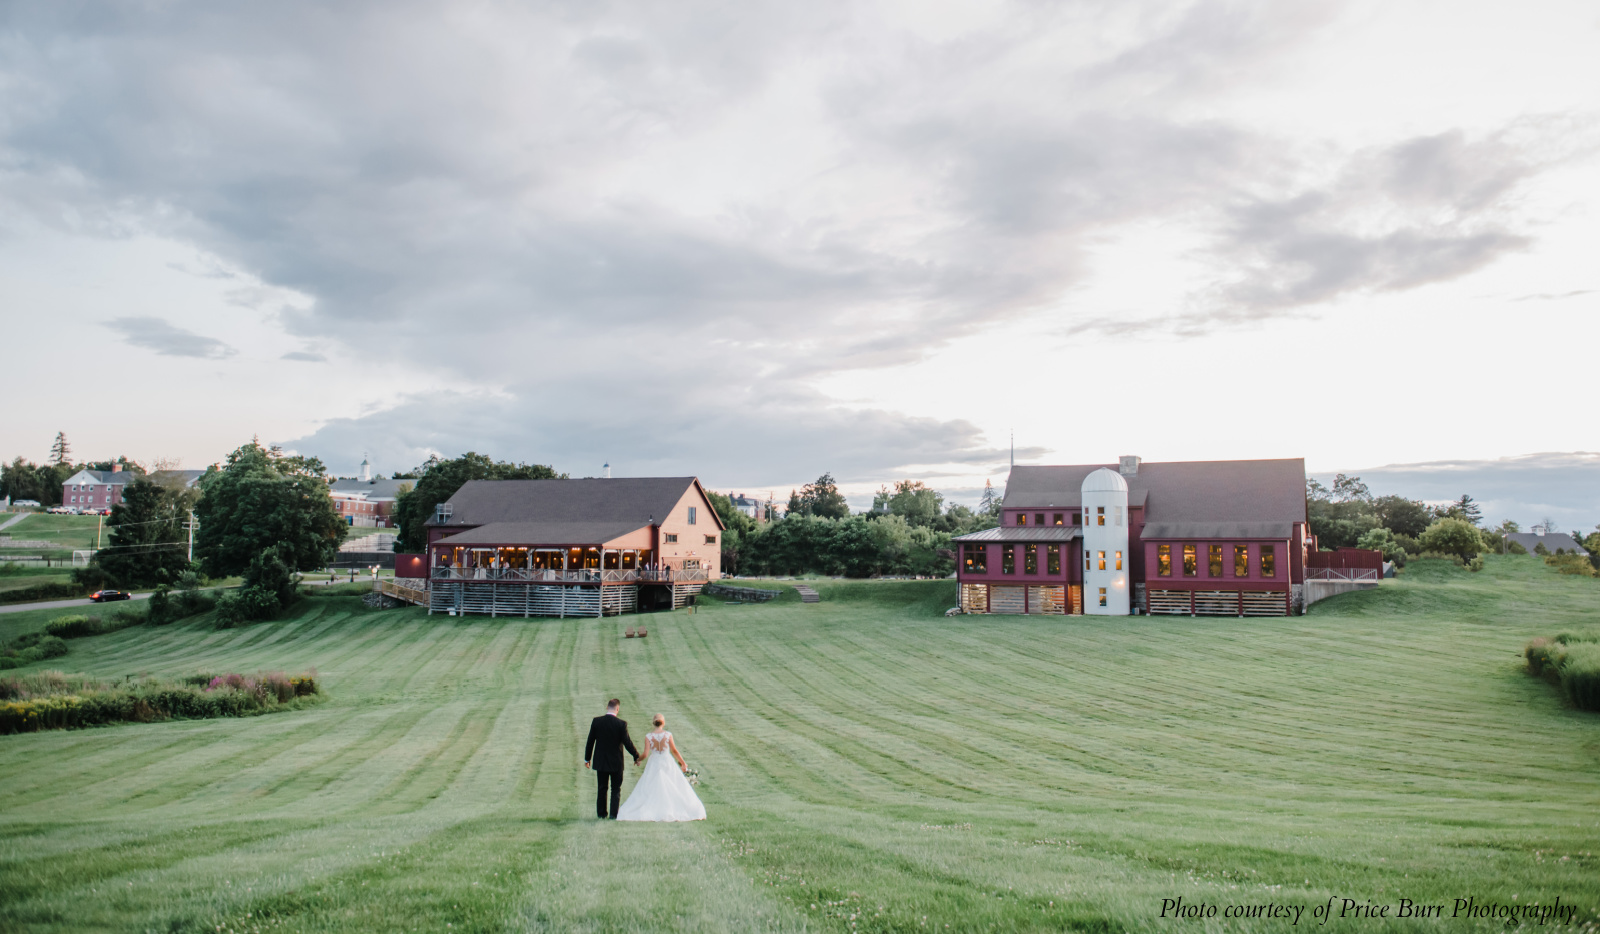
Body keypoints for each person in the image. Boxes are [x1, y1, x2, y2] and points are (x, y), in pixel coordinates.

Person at [616, 714, 706, 822]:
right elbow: (674, 751)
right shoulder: (668, 735)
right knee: (673, 784)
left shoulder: (649, 736)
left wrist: (638, 759)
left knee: (650, 785)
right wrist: (683, 763)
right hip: (667, 761)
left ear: (653, 723)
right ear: (663, 723)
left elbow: (645, 754)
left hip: (654, 762)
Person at [583, 698, 640, 819]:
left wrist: (587, 759)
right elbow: (627, 743)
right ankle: (614, 815)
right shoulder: (621, 724)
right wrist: (636, 756)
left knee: (602, 788)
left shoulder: (597, 722)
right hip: (616, 762)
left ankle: (601, 814)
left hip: (601, 761)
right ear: (618, 709)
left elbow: (590, 741)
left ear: (607, 707)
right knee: (616, 789)